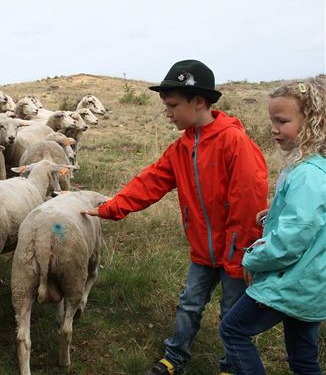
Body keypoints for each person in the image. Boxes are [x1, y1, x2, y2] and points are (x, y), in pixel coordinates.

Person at [81, 59, 269, 375]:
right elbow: (150, 182)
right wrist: (111, 208)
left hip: (236, 253)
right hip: (202, 250)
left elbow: (248, 203)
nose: (167, 112)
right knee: (189, 305)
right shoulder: (182, 147)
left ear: (199, 101)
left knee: (232, 312)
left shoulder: (233, 142)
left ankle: (230, 366)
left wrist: (240, 255)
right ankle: (175, 358)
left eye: (172, 105)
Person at [220, 78, 326, 375]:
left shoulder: (306, 175)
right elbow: (313, 219)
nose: (274, 129)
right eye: (272, 121)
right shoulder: (318, 169)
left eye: (282, 121)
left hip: (289, 282)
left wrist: (251, 258)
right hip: (312, 285)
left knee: (233, 330)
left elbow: (291, 239)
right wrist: (275, 213)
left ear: (313, 122)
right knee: (304, 358)